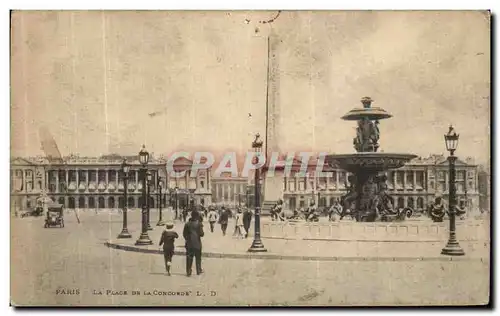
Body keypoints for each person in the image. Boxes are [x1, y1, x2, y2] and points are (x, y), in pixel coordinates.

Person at [183, 211, 204, 276]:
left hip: (189, 243)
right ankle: (198, 270)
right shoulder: (199, 224)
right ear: (197, 216)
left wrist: (188, 239)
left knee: (189, 257)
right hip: (197, 243)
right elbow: (201, 234)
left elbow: (184, 234)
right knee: (198, 257)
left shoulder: (187, 224)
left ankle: (188, 271)